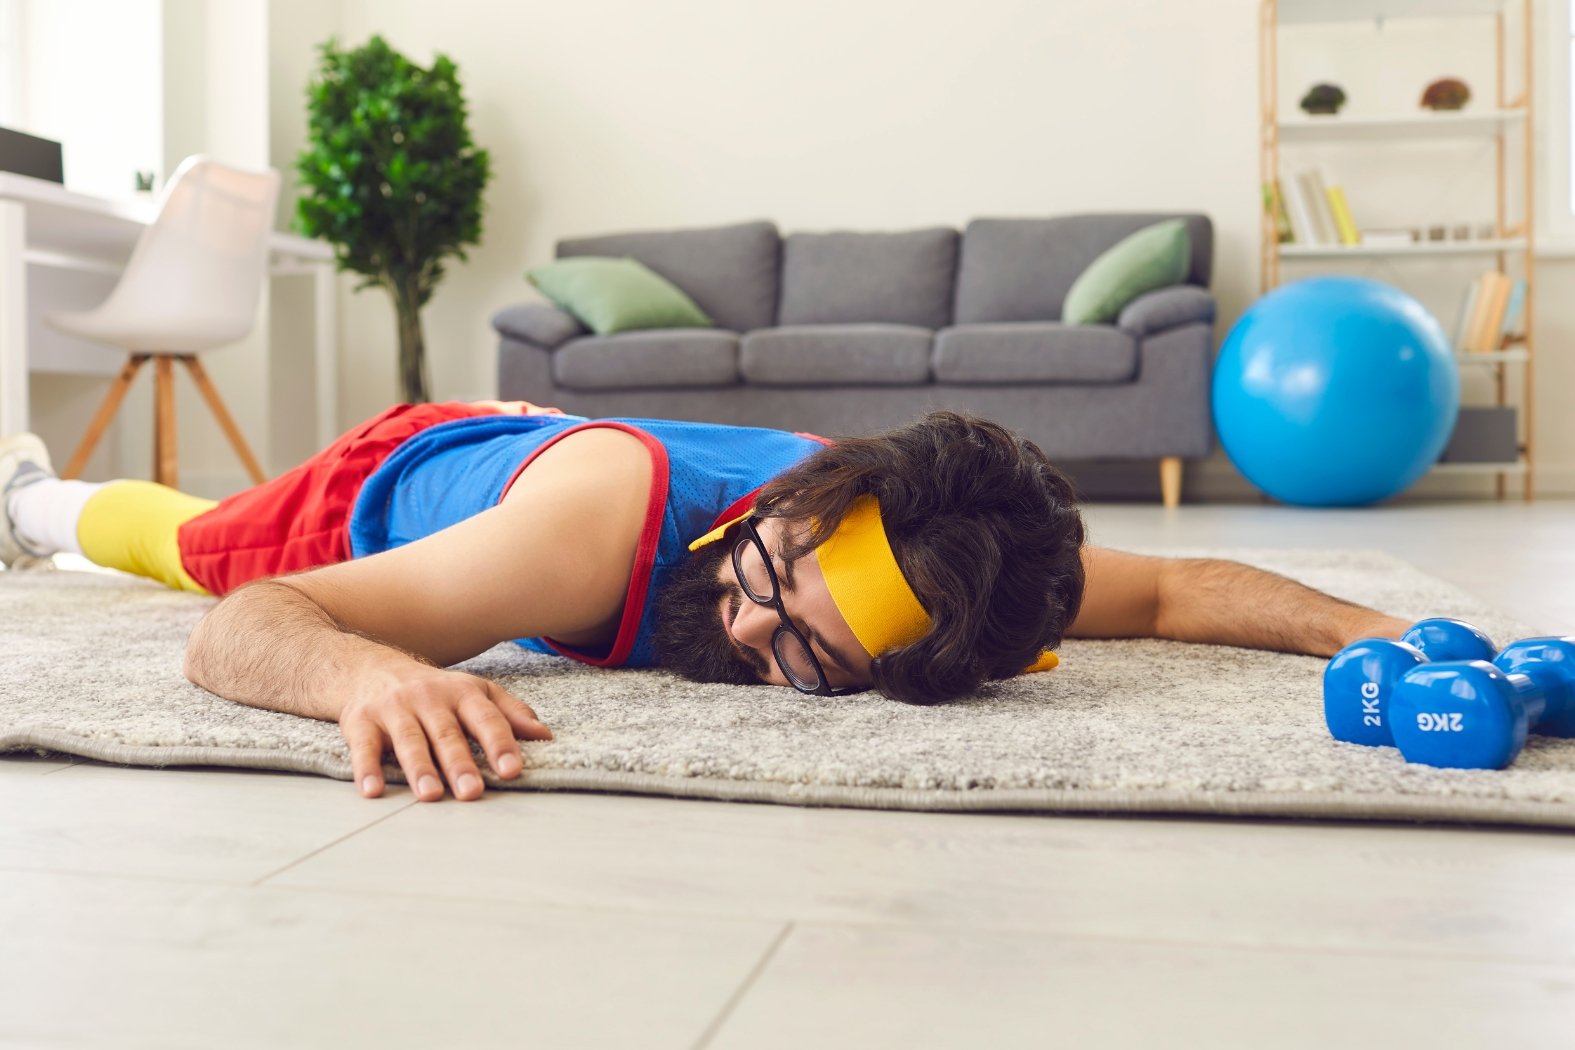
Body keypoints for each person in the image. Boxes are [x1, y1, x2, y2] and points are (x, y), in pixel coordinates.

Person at [0, 401, 1409, 803]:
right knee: (196, 548)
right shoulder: (589, 541)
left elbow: (1173, 591)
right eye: (766, 578)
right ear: (797, 500)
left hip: (544, 446)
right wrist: (372, 675)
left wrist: (1375, 633)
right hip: (399, 477)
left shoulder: (951, 568)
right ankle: (35, 499)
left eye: (806, 655)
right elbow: (246, 630)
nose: (743, 627)